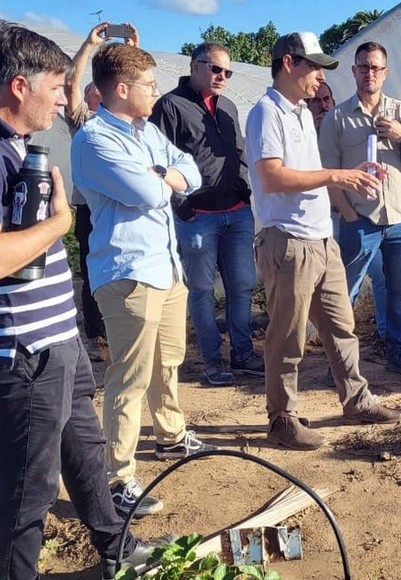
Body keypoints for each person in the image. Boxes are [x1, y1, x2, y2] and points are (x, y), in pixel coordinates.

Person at [0, 22, 156, 580]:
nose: (67, 98)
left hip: (56, 342)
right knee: (27, 492)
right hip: (23, 352)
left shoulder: (21, 149)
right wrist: (61, 223)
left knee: (85, 453)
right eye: (58, 86)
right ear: (20, 87)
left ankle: (118, 549)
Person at [71, 43, 214, 517]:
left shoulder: (147, 131)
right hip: (127, 270)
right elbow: (148, 192)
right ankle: (116, 479)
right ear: (123, 88)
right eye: (150, 84)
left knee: (167, 361)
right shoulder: (94, 140)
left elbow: (190, 169)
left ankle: (170, 437)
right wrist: (164, 179)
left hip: (164, 266)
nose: (156, 91)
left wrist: (165, 174)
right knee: (128, 376)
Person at [245, 31, 401, 451]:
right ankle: (282, 418)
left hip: (320, 239)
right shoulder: (267, 113)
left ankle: (356, 398)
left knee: (341, 326)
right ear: (288, 64)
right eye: (313, 66)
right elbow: (272, 176)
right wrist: (338, 176)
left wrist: (355, 169)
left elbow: (307, 173)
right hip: (287, 241)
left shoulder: (300, 112)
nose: (320, 76)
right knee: (288, 334)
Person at [319, 41, 401, 379]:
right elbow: (328, 174)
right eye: (363, 66)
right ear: (354, 70)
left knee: (399, 291)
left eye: (375, 67)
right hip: (360, 219)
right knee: (346, 292)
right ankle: (339, 362)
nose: (369, 72)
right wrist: (347, 214)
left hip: (400, 218)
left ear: (385, 72)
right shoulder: (337, 118)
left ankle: (397, 353)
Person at [150, 42, 264, 386]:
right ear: (195, 66)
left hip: (236, 213)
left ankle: (242, 353)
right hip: (198, 215)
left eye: (228, 72)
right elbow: (157, 162)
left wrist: (243, 191)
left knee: (242, 286)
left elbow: (239, 153)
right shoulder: (171, 106)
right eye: (216, 69)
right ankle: (213, 359)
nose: (223, 77)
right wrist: (181, 207)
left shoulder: (227, 106)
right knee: (201, 290)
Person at [64, 21, 139, 363]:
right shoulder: (84, 121)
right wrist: (88, 46)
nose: (97, 90)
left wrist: (133, 50)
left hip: (122, 206)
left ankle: (123, 326)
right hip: (90, 209)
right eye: (93, 87)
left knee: (124, 267)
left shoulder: (126, 122)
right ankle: (96, 335)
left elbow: (136, 85)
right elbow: (70, 83)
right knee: (94, 271)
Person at [307, 81, 387, 363]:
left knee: (378, 273)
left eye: (327, 99)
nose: (323, 106)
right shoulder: (301, 135)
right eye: (316, 102)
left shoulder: (341, 126)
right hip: (319, 221)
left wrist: (353, 215)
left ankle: (385, 335)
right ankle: (336, 349)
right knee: (340, 285)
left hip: (346, 216)